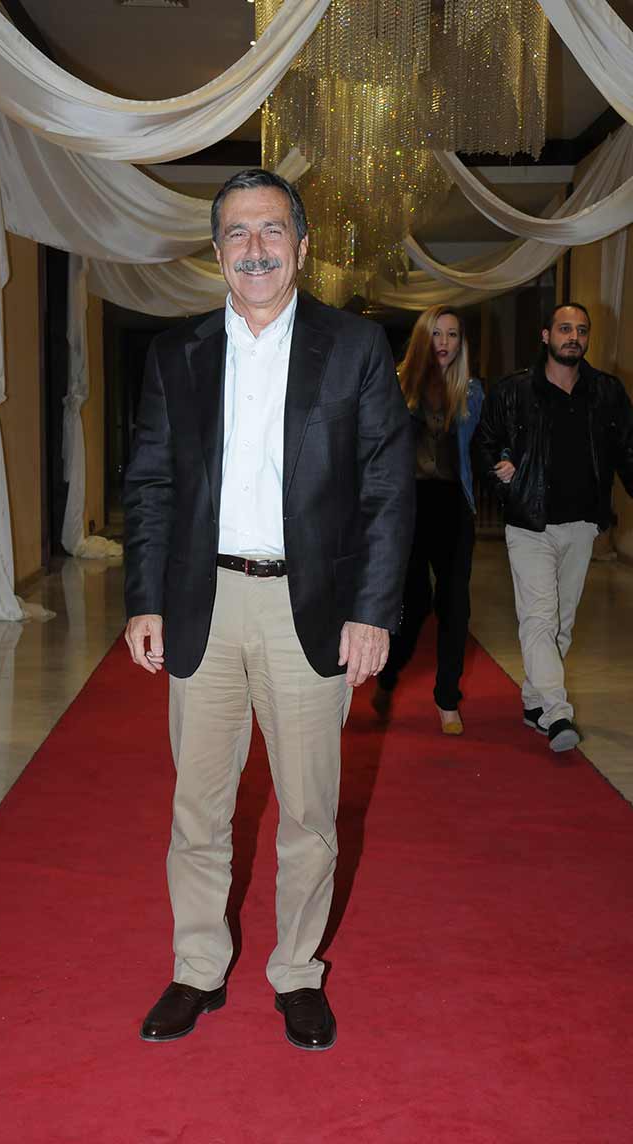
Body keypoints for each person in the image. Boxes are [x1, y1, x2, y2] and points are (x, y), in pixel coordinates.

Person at [123, 169, 414, 1051]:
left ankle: (296, 972)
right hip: (202, 604)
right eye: (238, 234)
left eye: (272, 230)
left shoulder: (355, 347)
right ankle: (197, 968)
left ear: (302, 246)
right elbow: (151, 483)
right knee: (198, 810)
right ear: (217, 252)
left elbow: (387, 487)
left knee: (308, 813)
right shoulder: (176, 354)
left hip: (309, 609)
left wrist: (372, 610)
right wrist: (145, 599)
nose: (255, 248)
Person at [473, 303, 633, 752]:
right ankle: (559, 712)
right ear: (546, 335)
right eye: (565, 329)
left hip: (582, 524)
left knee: (561, 624)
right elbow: (483, 443)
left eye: (581, 330)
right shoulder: (514, 391)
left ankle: (534, 702)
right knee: (540, 617)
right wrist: (500, 477)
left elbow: (628, 450)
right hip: (530, 523)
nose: (573, 337)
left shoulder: (606, 392)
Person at [372, 306, 483, 734]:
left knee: (456, 605)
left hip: (454, 506)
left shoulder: (471, 391)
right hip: (409, 507)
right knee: (414, 602)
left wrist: (506, 460)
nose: (445, 342)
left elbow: (484, 445)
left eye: (453, 335)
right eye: (437, 333)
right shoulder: (396, 387)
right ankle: (389, 674)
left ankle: (447, 699)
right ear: (423, 337)